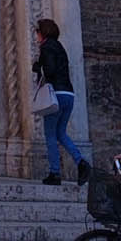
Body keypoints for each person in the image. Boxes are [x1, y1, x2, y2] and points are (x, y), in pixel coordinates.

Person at [33, 18, 89, 187]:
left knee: (50, 135)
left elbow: (49, 70)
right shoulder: (59, 47)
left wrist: (37, 67)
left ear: (43, 33)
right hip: (68, 95)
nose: (36, 36)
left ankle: (55, 173)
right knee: (61, 133)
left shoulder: (47, 47)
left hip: (55, 95)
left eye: (37, 32)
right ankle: (81, 163)